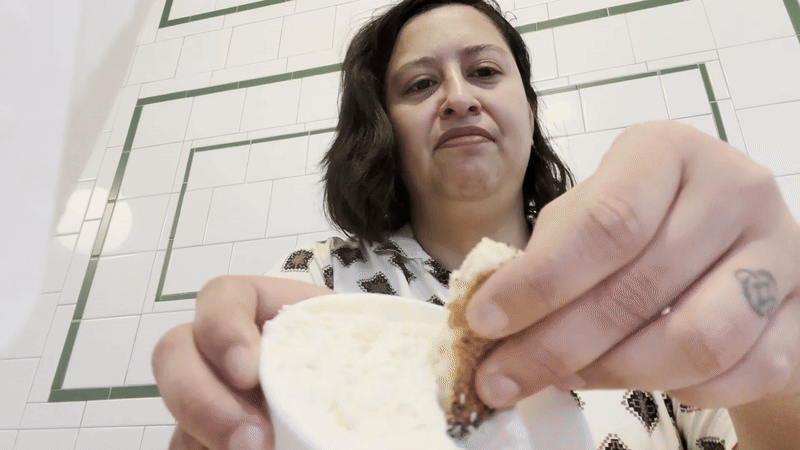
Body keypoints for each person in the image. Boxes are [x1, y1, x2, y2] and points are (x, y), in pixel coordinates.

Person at [151, 0, 800, 449]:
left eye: (485, 71)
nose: (459, 96)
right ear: (382, 129)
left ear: (527, 104)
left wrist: (781, 363)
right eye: (419, 85)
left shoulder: (645, 282)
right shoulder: (314, 282)